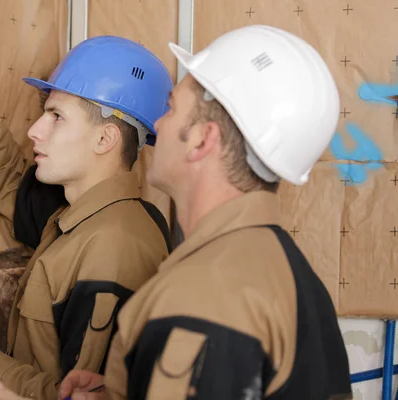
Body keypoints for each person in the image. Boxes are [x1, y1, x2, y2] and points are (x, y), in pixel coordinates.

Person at [58, 25, 354, 399]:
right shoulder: (287, 272)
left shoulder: (202, 297)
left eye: (171, 109)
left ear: (202, 139)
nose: (158, 123)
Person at [0, 27, 174, 399]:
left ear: (105, 139)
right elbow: (12, 184)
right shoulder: (80, 218)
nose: (34, 130)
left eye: (56, 116)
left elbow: (78, 395)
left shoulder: (114, 249)